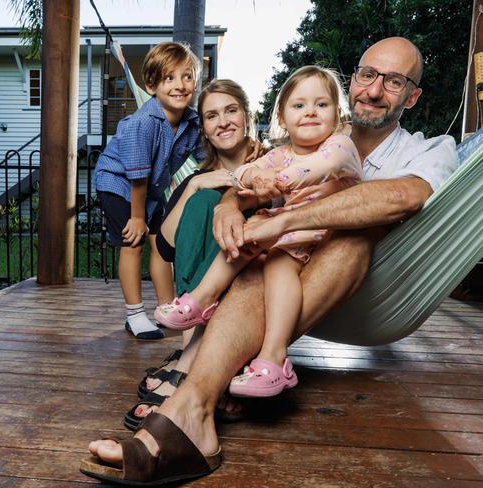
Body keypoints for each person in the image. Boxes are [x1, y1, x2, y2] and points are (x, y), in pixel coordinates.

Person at [81, 37, 457, 486]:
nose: (374, 90)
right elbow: (254, 179)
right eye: (367, 75)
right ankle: (193, 412)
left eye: (394, 81)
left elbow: (404, 196)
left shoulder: (430, 148)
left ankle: (199, 377)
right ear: (353, 79)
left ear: (412, 96)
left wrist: (284, 221)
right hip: (275, 272)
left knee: (350, 239)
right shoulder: (302, 138)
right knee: (256, 256)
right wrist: (227, 205)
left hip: (359, 279)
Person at [156, 67, 361, 400]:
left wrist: (274, 181)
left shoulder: (339, 145)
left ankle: (271, 356)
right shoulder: (279, 153)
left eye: (321, 105)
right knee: (244, 237)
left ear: (337, 114)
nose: (310, 111)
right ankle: (200, 302)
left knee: (270, 258)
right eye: (299, 106)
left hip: (322, 233)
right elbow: (250, 173)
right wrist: (250, 178)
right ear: (282, 116)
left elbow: (320, 166)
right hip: (285, 234)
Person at [128, 79, 259, 429]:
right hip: (207, 298)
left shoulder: (274, 161)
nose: (224, 122)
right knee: (202, 202)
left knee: (224, 213)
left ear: (247, 116)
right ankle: (204, 357)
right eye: (212, 116)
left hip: (255, 280)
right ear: (205, 129)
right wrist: (199, 184)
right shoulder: (196, 177)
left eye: (231, 111)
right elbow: (168, 246)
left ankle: (191, 360)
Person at [94, 41, 202, 340]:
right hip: (117, 183)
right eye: (169, 78)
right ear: (151, 85)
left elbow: (208, 158)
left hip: (149, 190)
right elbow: (137, 177)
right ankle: (134, 315)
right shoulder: (142, 124)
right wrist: (137, 218)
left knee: (162, 244)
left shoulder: (192, 122)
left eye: (187, 76)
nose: (180, 85)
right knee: (135, 241)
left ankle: (168, 310)